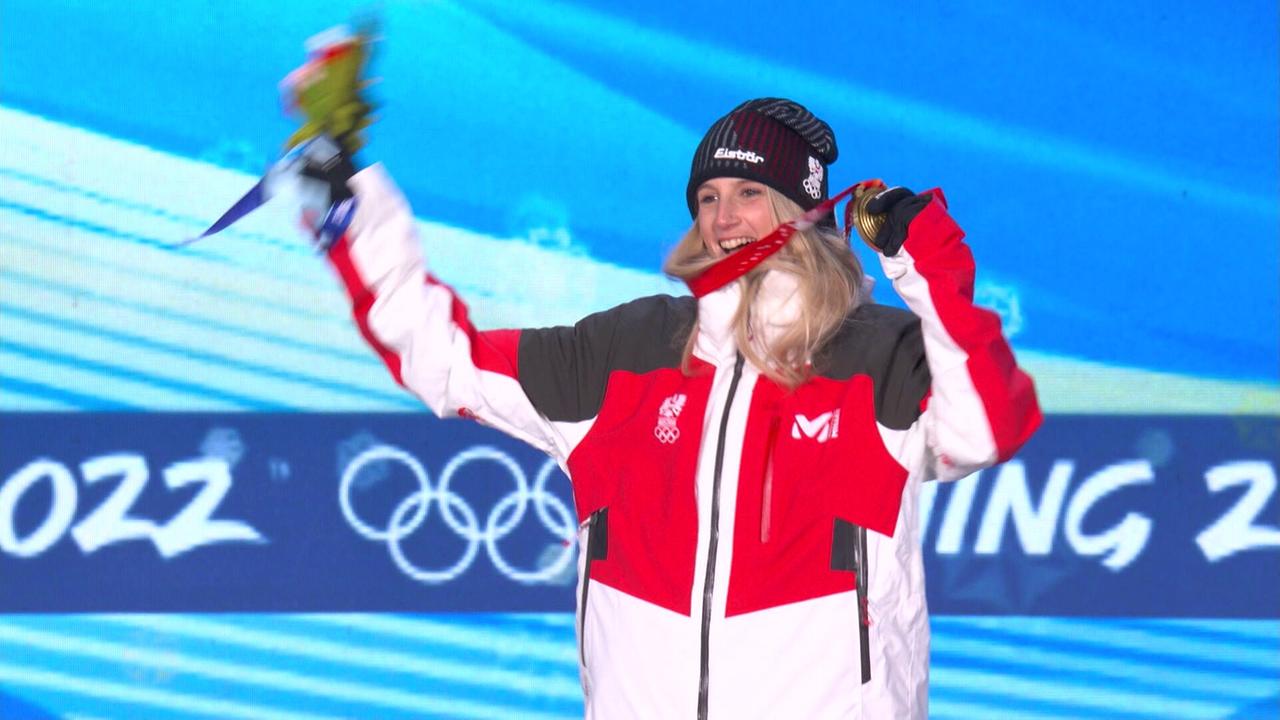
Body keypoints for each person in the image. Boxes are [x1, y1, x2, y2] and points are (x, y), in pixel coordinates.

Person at [282, 28, 1041, 720]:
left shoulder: (876, 355)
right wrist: (350, 196)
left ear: (801, 210)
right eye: (708, 198)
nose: (724, 217)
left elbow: (985, 425)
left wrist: (924, 256)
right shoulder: (627, 350)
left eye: (750, 194)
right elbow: (443, 356)